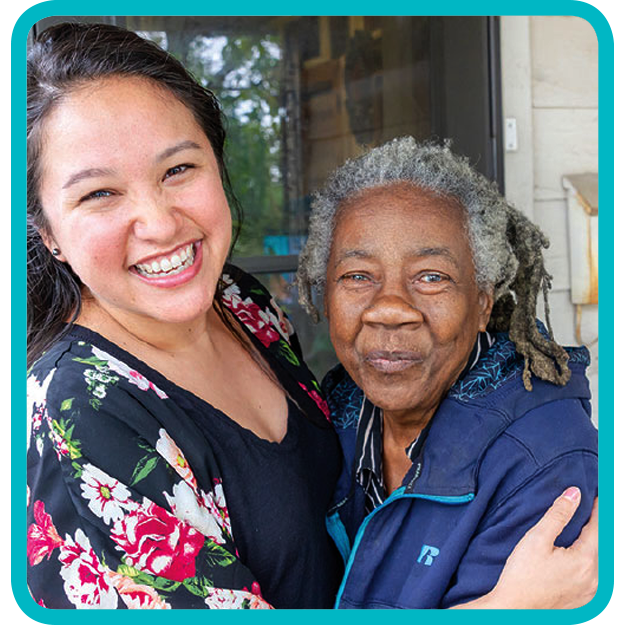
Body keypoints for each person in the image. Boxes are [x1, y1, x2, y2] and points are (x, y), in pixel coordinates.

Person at [26, 22, 597, 610]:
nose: (161, 223)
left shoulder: (240, 303)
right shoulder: (80, 420)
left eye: (178, 170)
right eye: (99, 194)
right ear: (48, 231)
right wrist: (505, 609)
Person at [296, 136, 599, 609]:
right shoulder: (336, 411)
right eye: (357, 276)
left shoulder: (546, 464)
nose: (390, 309)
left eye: (432, 276)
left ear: (482, 303)